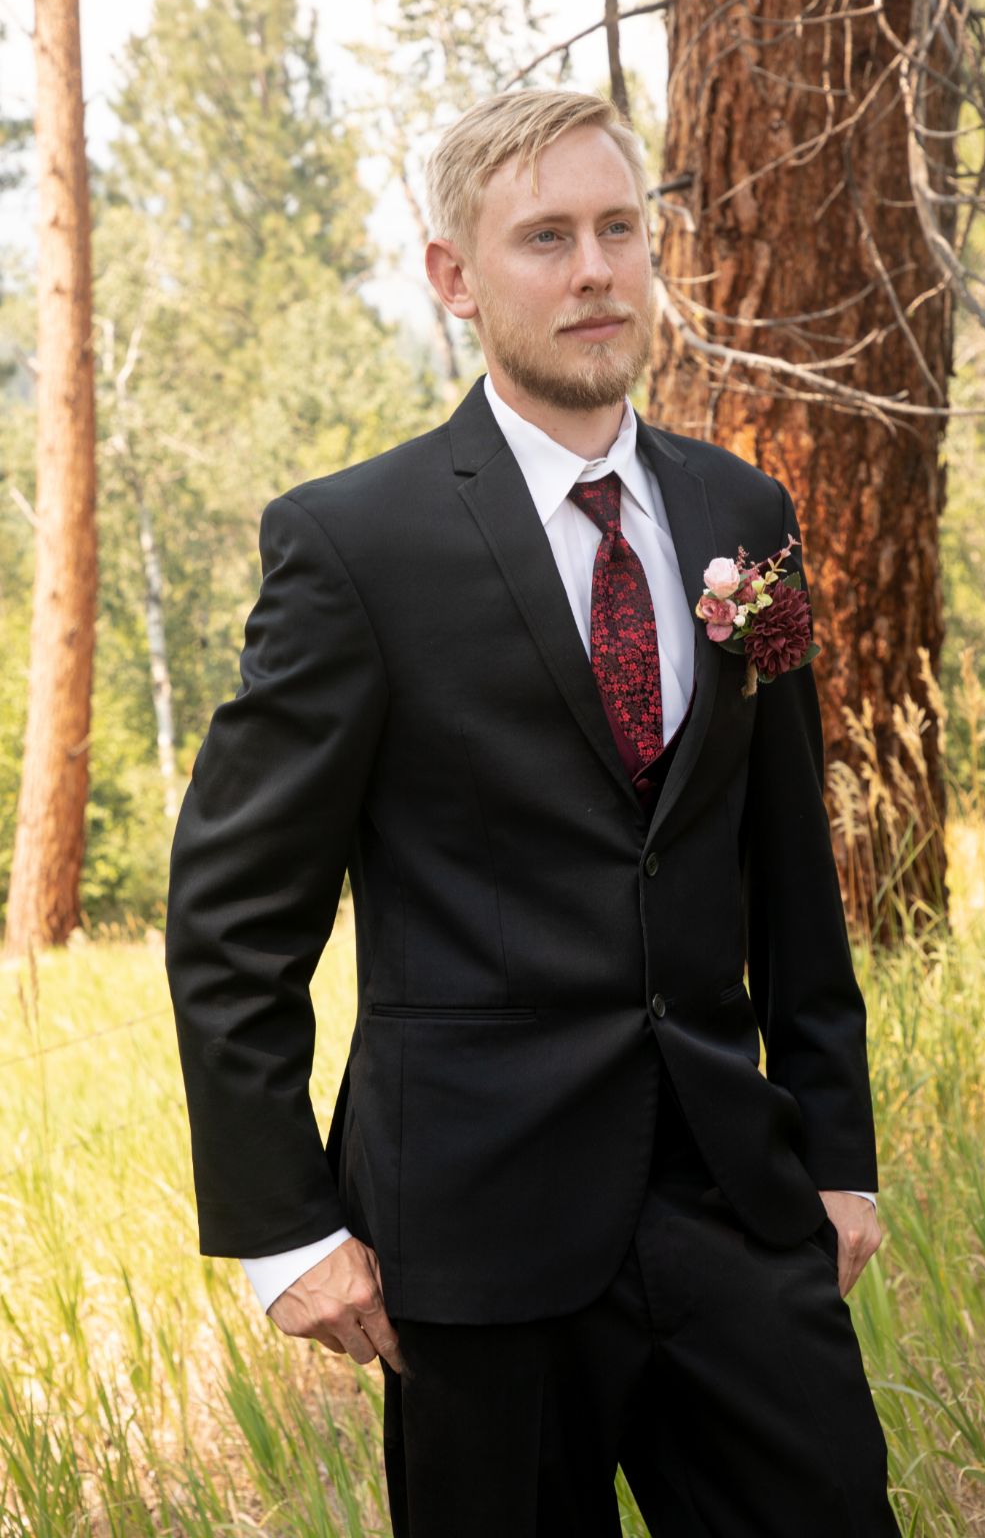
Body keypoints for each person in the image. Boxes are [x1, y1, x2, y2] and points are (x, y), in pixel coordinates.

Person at [165, 88, 901, 1537]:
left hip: (731, 1205)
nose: (596, 271)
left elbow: (787, 872)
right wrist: (286, 1230)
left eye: (619, 229)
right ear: (455, 276)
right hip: (470, 1238)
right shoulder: (354, 545)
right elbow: (235, 917)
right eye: (547, 238)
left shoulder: (741, 517)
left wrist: (836, 1152)